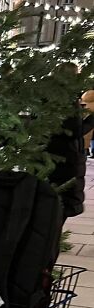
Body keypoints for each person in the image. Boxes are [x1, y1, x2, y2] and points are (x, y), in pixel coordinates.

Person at [46, 66, 94, 218]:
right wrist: (91, 120)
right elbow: (73, 131)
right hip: (67, 155)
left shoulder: (45, 95)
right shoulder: (66, 98)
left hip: (49, 152)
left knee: (50, 200)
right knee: (63, 203)